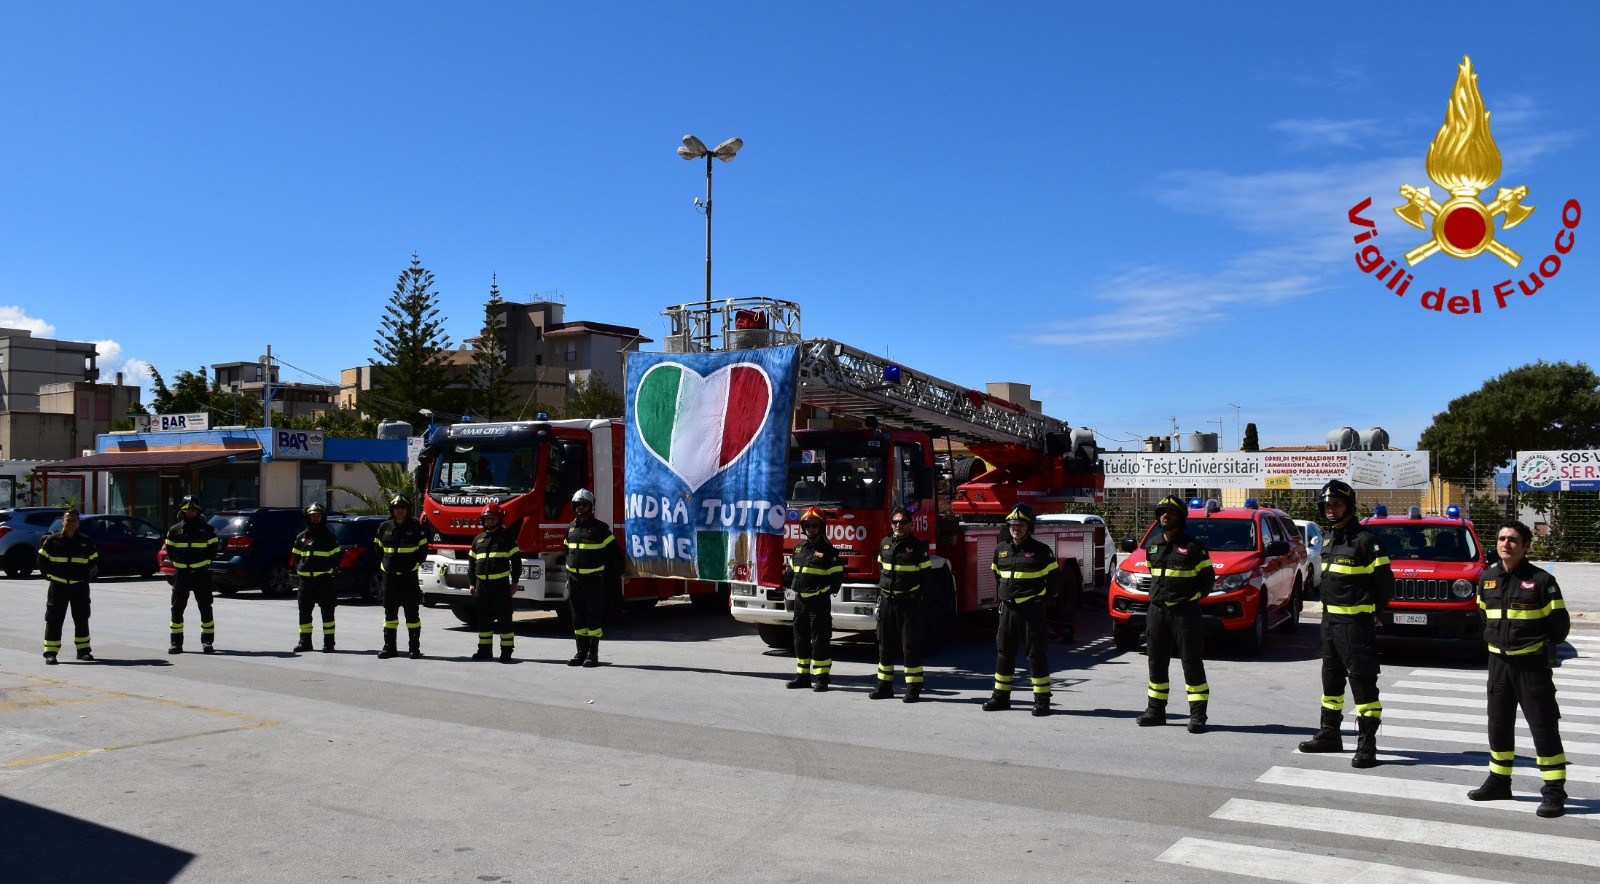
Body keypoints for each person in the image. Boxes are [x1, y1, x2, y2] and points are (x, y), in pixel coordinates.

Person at [1468, 519, 1570, 818]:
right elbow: (1483, 614)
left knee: (1543, 727)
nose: (1506, 544)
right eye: (1501, 538)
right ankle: (1499, 782)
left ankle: (1554, 793)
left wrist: (1535, 644)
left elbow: (1559, 627)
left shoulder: (1541, 581)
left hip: (1531, 665)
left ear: (1525, 545)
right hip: (1498, 663)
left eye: (1513, 539)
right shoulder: (1487, 578)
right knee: (1498, 725)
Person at [1298, 479, 1393, 768]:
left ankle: (1367, 745)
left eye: (1336, 504)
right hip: (1329, 624)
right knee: (1331, 681)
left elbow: (1385, 584)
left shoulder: (1367, 541)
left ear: (1349, 506)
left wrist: (1376, 611)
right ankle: (1329, 734)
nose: (1330, 509)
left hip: (1356, 625)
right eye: (1326, 505)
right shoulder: (1328, 540)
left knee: (1363, 685)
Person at [1134, 496, 1213, 733]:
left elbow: (1207, 581)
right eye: (1162, 512)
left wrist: (1187, 600)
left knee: (1191, 662)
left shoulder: (1193, 547)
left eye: (1170, 512)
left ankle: (1198, 716)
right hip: (1157, 612)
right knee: (1156, 661)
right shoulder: (1153, 546)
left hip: (1185, 613)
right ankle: (1155, 711)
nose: (1165, 516)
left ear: (1180, 517)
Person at [983, 503, 1063, 717]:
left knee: (1035, 654)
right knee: (1004, 653)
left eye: (1020, 524)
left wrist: (1040, 600)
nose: (1015, 528)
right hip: (1008, 609)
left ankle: (1042, 700)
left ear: (1029, 527)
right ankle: (1000, 697)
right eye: (1012, 524)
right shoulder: (1001, 550)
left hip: (1032, 610)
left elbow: (1054, 581)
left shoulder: (1041, 551)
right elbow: (997, 575)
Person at [871, 507, 931, 702]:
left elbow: (926, 578)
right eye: (895, 522)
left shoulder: (918, 547)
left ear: (910, 525)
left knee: (910, 646)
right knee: (884, 645)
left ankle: (913, 688)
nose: (898, 525)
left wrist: (916, 598)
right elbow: (882, 569)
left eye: (902, 522)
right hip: (887, 601)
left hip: (908, 603)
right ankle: (884, 687)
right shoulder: (885, 544)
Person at [784, 507, 843, 691]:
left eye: (814, 525)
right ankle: (802, 676)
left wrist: (820, 592)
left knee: (820, 640)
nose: (811, 528)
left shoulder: (829, 551)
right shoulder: (798, 548)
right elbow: (791, 573)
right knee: (799, 640)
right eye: (808, 525)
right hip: (800, 602)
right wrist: (783, 583)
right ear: (803, 527)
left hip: (818, 604)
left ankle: (822, 678)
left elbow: (836, 581)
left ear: (821, 526)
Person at [564, 489, 622, 667]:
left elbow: (614, 553)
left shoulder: (600, 528)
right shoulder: (570, 529)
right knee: (577, 616)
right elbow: (567, 554)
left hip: (593, 580)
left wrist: (622, 572)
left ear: (591, 506)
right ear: (573, 507)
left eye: (584, 504)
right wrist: (568, 577)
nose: (581, 508)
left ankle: (592, 653)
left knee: (593, 616)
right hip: (574, 580)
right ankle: (580, 651)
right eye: (578, 505)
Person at [39, 509, 98, 664]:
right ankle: (50, 653)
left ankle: (83, 651)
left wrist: (86, 577)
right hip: (58, 587)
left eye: (73, 520)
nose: (71, 523)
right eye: (68, 520)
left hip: (80, 587)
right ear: (62, 522)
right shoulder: (53, 541)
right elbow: (41, 561)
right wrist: (50, 577)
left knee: (82, 618)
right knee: (54, 619)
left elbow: (94, 561)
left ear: (78, 522)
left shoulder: (85, 541)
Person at [163, 494, 219, 654]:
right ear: (183, 511)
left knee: (205, 608)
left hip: (201, 574)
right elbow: (170, 551)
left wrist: (204, 564)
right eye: (188, 510)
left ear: (198, 511)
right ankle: (176, 643)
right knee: (177, 609)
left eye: (194, 510)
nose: (191, 513)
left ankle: (207, 642)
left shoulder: (207, 530)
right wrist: (180, 565)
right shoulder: (175, 530)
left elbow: (213, 550)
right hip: (182, 575)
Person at [375, 494, 429, 659]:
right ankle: (389, 647)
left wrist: (413, 566)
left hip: (408, 578)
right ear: (392, 510)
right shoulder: (384, 527)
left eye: (403, 508)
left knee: (412, 614)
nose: (400, 511)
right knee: (390, 614)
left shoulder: (416, 527)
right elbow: (378, 549)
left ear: (407, 510)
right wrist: (385, 565)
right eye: (397, 508)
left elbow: (423, 551)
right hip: (389, 578)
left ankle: (414, 648)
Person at [470, 502, 522, 662]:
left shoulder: (507, 539)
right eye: (487, 519)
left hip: (500, 586)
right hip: (481, 586)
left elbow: (517, 562)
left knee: (504, 619)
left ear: (498, 520)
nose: (490, 521)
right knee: (483, 619)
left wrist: (514, 583)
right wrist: (472, 583)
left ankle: (506, 651)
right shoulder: (478, 540)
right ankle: (484, 650)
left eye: (493, 518)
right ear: (483, 520)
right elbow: (472, 563)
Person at [290, 503, 341, 653]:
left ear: (322, 518)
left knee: (327, 612)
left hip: (324, 581)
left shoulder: (330, 538)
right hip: (305, 582)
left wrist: (329, 570)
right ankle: (305, 642)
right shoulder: (301, 538)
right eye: (313, 516)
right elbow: (296, 557)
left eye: (318, 516)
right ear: (308, 518)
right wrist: (301, 571)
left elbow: (336, 558)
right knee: (304, 612)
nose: (315, 518)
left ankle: (329, 643)